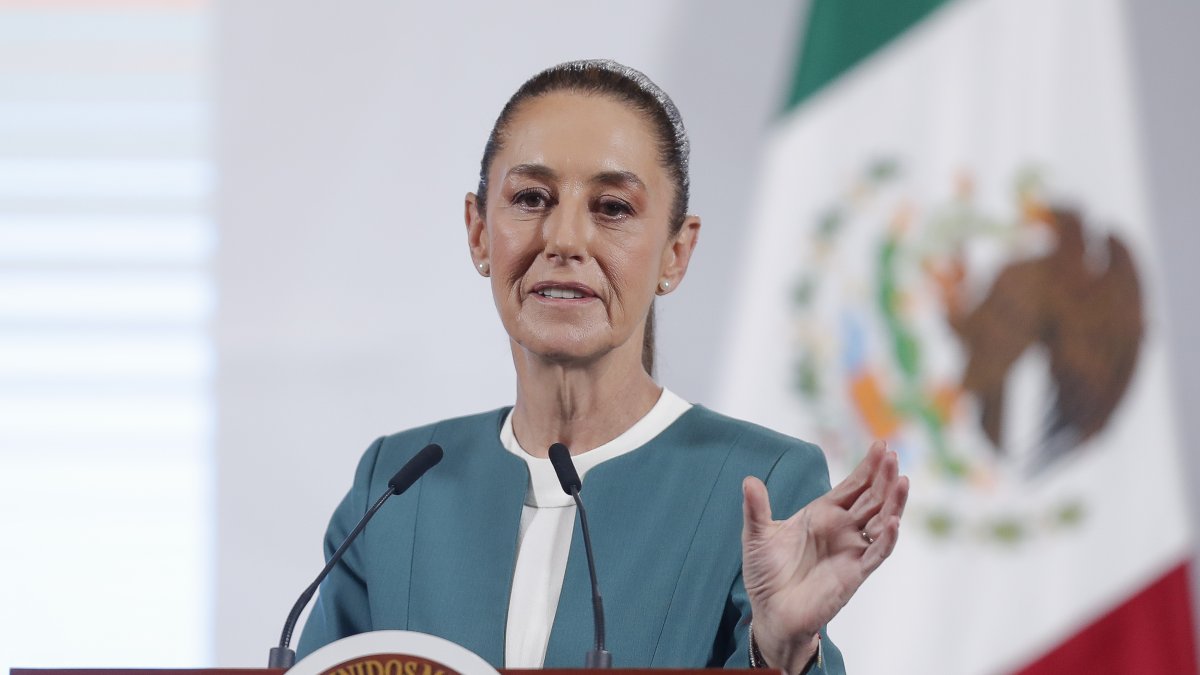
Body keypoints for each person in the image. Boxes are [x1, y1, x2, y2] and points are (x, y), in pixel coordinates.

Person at [296, 60, 907, 674]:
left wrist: (779, 652)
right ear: (479, 232)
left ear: (676, 252)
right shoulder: (397, 485)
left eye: (612, 207)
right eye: (531, 198)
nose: (564, 239)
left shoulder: (760, 485)